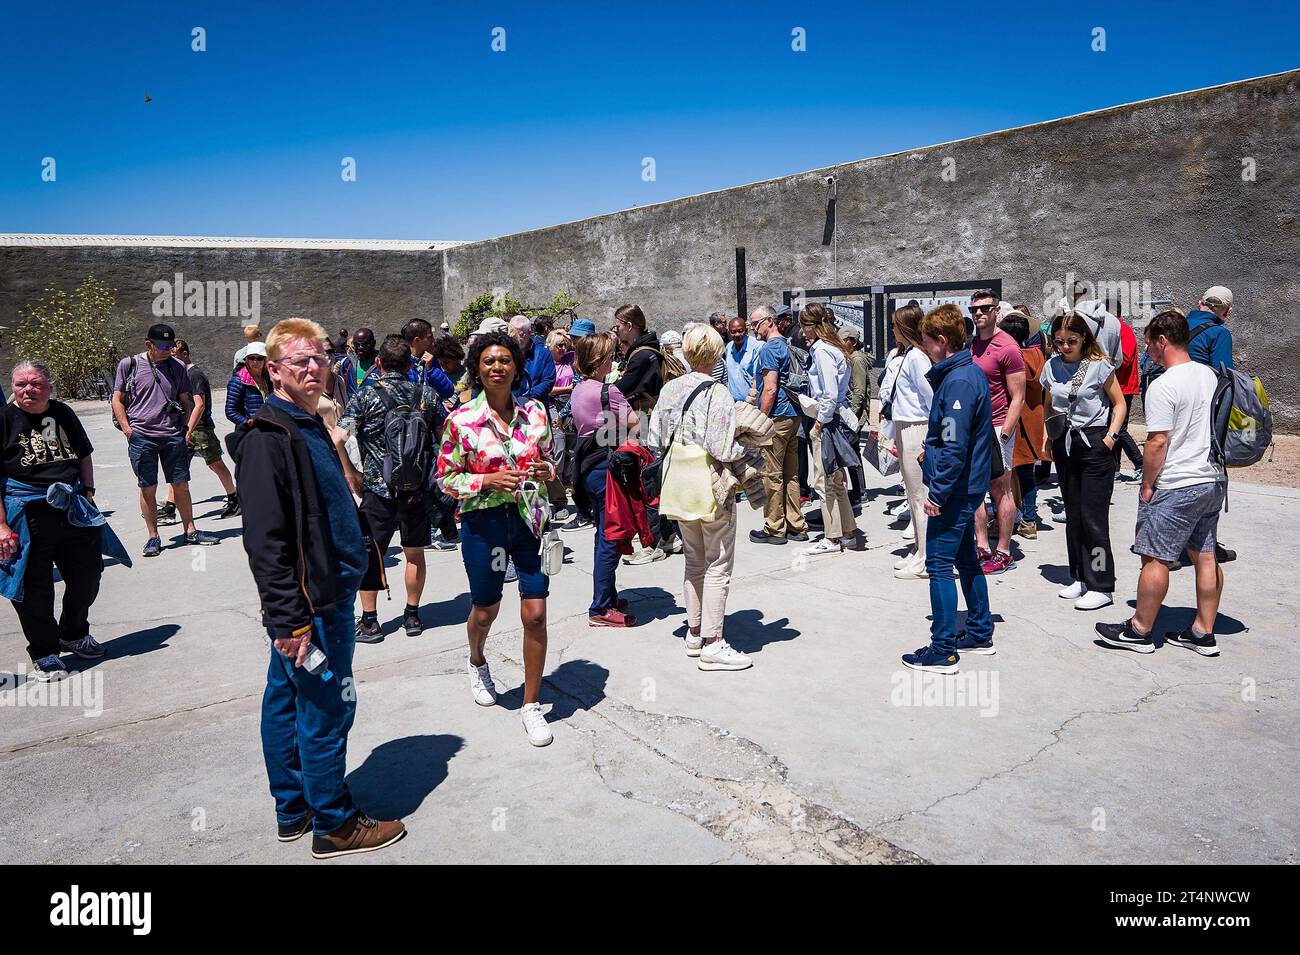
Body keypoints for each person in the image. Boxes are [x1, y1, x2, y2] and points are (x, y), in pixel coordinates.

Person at [236, 318, 407, 859]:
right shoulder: (269, 438)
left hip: (324, 591)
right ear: (274, 371)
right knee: (327, 708)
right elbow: (265, 541)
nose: (314, 369)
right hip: (314, 603)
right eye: (300, 362)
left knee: (287, 700)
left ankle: (294, 808)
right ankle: (334, 822)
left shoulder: (308, 425)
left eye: (319, 359)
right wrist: (288, 618)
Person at [437, 331, 557, 746]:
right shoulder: (460, 420)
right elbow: (446, 479)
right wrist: (487, 479)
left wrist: (547, 472)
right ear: (478, 368)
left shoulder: (536, 412)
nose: (497, 367)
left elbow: (549, 462)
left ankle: (531, 704)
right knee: (485, 610)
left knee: (536, 613)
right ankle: (476, 661)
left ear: (517, 367)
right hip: (484, 525)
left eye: (505, 360)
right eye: (489, 361)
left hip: (529, 521)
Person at [1096, 310, 1226, 656]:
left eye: (1149, 342)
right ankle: (1203, 632)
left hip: (1177, 483)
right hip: (1212, 480)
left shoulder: (1164, 385)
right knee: (1207, 556)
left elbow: (1157, 442)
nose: (1147, 350)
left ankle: (1140, 630)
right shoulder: (1210, 375)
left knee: (1154, 558)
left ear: (1162, 341)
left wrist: (1148, 484)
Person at [0, 360, 119, 681]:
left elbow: (83, 453)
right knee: (34, 587)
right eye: (21, 384)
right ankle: (45, 651)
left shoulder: (63, 412)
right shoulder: (5, 419)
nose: (28, 390)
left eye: (36, 383)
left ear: (49, 387)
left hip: (72, 507)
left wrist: (89, 491)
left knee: (88, 574)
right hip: (26, 512)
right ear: (12, 388)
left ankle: (73, 632)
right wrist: (1, 526)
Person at [647, 324, 751, 671]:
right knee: (718, 562)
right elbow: (723, 447)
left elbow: (655, 437)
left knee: (693, 559)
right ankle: (713, 641)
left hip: (678, 480)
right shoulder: (718, 393)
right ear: (717, 353)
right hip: (708, 480)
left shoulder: (671, 388)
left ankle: (694, 631)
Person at [900, 304, 995, 673]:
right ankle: (979, 630)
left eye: (926, 342)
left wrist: (937, 493)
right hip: (964, 484)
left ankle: (942, 648)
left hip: (954, 489)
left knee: (939, 565)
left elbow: (955, 444)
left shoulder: (957, 381)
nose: (924, 349)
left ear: (942, 342)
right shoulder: (965, 373)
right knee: (966, 559)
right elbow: (952, 436)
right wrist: (934, 445)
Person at [336, 336, 431, 641]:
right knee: (414, 553)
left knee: (370, 553)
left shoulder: (366, 396)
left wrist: (351, 472)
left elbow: (338, 437)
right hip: (415, 488)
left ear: (378, 363)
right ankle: (413, 616)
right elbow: (446, 432)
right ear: (409, 364)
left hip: (377, 488)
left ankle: (370, 622)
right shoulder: (425, 395)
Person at [1041, 311, 1127, 610]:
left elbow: (1119, 404)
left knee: (1093, 518)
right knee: (1073, 515)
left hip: (1094, 443)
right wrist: (1047, 435)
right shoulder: (1051, 366)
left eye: (1072, 341)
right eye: (1059, 341)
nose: (1065, 346)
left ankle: (1101, 584)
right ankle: (1078, 575)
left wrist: (1111, 437)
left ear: (1084, 339)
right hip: (1064, 443)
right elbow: (1049, 402)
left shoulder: (1099, 366)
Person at [111, 323, 219, 556]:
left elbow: (185, 399)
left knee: (180, 485)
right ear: (148, 344)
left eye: (170, 346)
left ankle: (190, 530)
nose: (167, 350)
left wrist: (186, 429)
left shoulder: (177, 367)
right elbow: (117, 399)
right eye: (162, 346)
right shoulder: (129, 365)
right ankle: (153, 537)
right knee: (148, 487)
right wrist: (128, 429)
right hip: (142, 436)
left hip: (172, 435)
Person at [570, 334, 639, 626]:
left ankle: (607, 596)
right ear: (599, 361)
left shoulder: (577, 390)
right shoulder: (608, 392)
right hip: (607, 467)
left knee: (603, 533)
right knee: (612, 536)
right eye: (609, 356)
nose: (613, 360)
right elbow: (635, 422)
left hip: (587, 466)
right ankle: (600, 608)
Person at [613, 304, 677, 563]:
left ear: (629, 325)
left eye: (618, 326)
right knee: (655, 478)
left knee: (647, 481)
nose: (616, 331)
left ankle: (654, 544)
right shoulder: (650, 350)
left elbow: (620, 390)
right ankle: (669, 536)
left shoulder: (640, 356)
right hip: (652, 421)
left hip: (646, 422)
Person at [968, 290, 1025, 575]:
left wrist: (1004, 434)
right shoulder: (972, 345)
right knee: (975, 489)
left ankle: (1004, 550)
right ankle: (981, 545)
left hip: (998, 426)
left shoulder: (1008, 347)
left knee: (1000, 488)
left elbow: (1018, 396)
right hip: (974, 427)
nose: (978, 313)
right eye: (974, 309)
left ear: (996, 311)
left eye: (984, 308)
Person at [799, 303, 859, 555]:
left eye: (803, 325)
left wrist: (819, 422)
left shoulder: (823, 350)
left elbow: (829, 393)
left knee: (824, 481)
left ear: (813, 326)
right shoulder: (835, 348)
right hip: (837, 419)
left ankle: (832, 537)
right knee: (836, 480)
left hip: (828, 421)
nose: (801, 331)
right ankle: (847, 534)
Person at [748, 305, 809, 545]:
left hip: (776, 417)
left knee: (771, 474)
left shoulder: (769, 349)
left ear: (769, 321)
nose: (753, 329)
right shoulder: (788, 345)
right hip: (793, 416)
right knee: (790, 473)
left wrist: (761, 419)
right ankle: (796, 524)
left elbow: (770, 388)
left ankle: (774, 527)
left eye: (755, 324)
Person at [1185, 285, 1237, 564]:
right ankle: (1206, 545)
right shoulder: (1219, 333)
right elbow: (1224, 377)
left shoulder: (1176, 325)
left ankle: (1166, 545)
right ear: (1226, 312)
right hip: (1202, 414)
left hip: (1171, 410)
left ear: (1200, 301)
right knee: (1207, 475)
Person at [882, 304, 934, 579]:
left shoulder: (916, 358)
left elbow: (931, 399)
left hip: (917, 428)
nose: (892, 330)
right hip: (905, 427)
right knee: (913, 496)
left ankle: (927, 557)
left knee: (919, 496)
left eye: (894, 325)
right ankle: (919, 549)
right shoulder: (907, 355)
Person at [165, 339, 240, 520]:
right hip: (185, 428)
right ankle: (169, 508)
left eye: (175, 356)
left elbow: (199, 405)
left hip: (201, 428)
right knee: (178, 467)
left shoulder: (194, 374)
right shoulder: (180, 374)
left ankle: (234, 499)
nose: (172, 361)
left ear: (185, 354)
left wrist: (189, 428)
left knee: (215, 463)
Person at [996, 313, 1047, 540]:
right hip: (1034, 420)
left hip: (1015, 421)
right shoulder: (1037, 355)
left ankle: (1014, 517)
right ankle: (1029, 520)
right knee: (1027, 474)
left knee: (1006, 474)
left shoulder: (1011, 357)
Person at [842, 333, 874, 507]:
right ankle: (858, 491)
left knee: (852, 454)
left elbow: (859, 392)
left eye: (843, 340)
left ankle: (860, 493)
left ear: (853, 342)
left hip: (854, 416)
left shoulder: (856, 360)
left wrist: (851, 416)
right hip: (853, 415)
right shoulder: (852, 358)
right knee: (851, 452)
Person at [507, 315, 558, 411]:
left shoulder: (543, 354)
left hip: (536, 409)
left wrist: (525, 396)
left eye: (520, 335)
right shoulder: (505, 354)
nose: (516, 339)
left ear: (530, 332)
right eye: (513, 335)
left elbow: (548, 381)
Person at [334, 328, 380, 404]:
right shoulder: (347, 363)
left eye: (365, 344)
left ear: (373, 343)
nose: (360, 347)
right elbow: (338, 387)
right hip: (352, 411)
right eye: (356, 344)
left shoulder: (382, 363)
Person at [723, 316, 762, 402]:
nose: (737, 335)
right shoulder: (729, 348)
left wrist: (751, 401)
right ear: (729, 332)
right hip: (733, 402)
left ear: (746, 330)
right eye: (733, 332)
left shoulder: (756, 347)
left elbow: (757, 377)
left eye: (740, 331)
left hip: (751, 402)